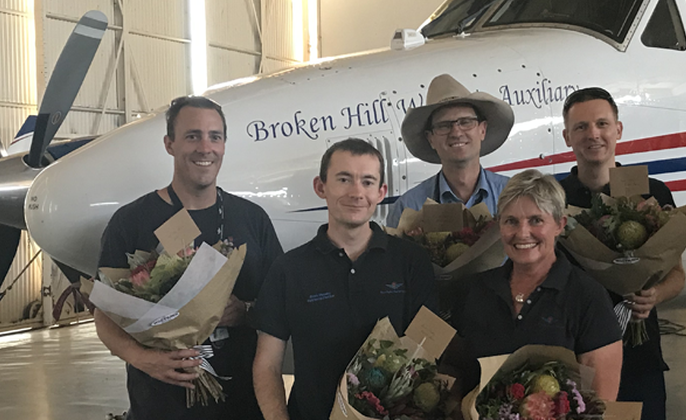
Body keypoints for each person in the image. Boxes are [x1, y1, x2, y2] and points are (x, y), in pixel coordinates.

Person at [94, 96, 283, 420]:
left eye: (215, 137)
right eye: (192, 136)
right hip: (158, 406)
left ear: (224, 145)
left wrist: (246, 310)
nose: (205, 147)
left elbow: (280, 305)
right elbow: (105, 315)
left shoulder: (251, 219)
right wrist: (143, 358)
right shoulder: (132, 222)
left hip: (243, 406)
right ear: (169, 144)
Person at [253, 138, 438, 420]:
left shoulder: (411, 261)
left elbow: (430, 351)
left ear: (381, 192)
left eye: (367, 181)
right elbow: (267, 364)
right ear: (320, 187)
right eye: (344, 179)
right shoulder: (288, 269)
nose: (356, 192)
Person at [559, 87, 685, 420]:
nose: (593, 134)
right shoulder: (555, 198)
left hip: (639, 355)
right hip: (575, 354)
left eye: (602, 124)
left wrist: (654, 295)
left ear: (619, 129)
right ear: (566, 137)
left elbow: (678, 275)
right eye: (581, 127)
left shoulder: (653, 193)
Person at [451, 169, 622, 400]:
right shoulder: (474, 291)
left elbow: (602, 403)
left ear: (560, 224)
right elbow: (456, 375)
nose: (522, 233)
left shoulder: (588, 297)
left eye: (536, 220)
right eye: (511, 221)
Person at [386, 73, 515, 228]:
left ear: (482, 130)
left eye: (465, 122)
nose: (456, 132)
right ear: (430, 139)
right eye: (444, 126)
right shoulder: (408, 207)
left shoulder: (513, 196)